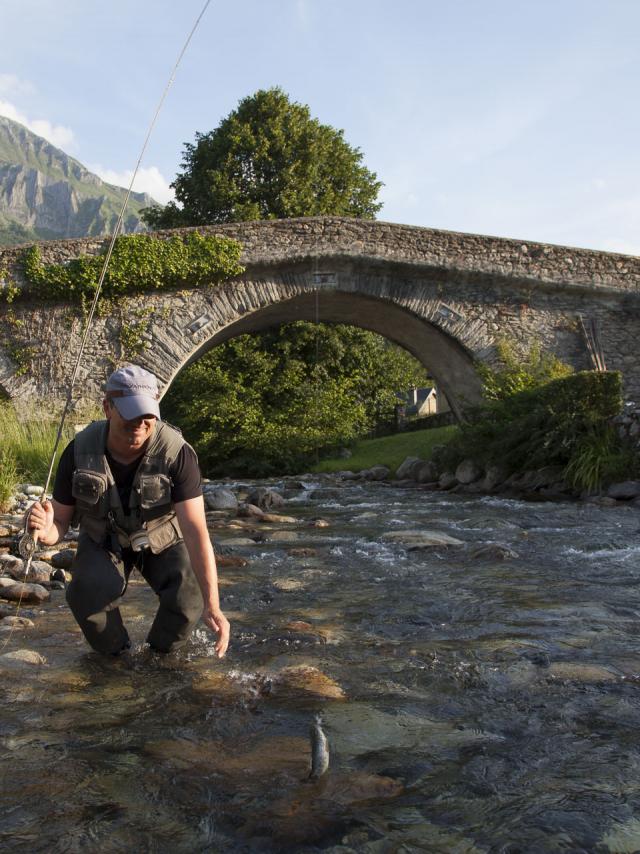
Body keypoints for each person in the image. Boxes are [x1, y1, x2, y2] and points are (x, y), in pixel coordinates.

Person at [26, 365, 230, 658]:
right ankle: (117, 658)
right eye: (130, 412)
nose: (140, 422)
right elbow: (59, 521)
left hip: (160, 535)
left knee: (189, 593)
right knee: (86, 592)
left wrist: (214, 605)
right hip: (102, 537)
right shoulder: (79, 451)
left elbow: (196, 531)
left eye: (147, 414)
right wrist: (45, 531)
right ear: (107, 407)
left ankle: (159, 656)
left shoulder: (177, 453)